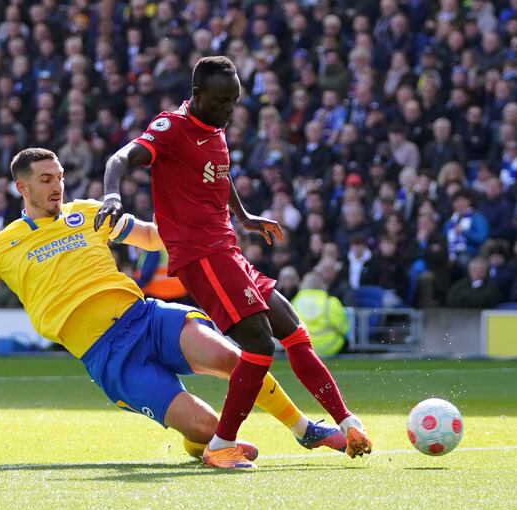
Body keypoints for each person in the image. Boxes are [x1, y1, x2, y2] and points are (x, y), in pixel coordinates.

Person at [0, 148, 346, 469]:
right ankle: (203, 444)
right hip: (109, 356)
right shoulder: (0, 247)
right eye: (46, 180)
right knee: (206, 426)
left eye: (60, 177)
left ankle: (304, 429)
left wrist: (200, 224)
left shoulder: (86, 213)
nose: (57, 186)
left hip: (146, 317)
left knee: (236, 358)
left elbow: (152, 237)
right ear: (21, 188)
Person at [95, 56, 371, 468]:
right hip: (201, 254)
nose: (229, 109)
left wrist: (243, 217)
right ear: (197, 95)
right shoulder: (171, 128)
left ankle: (347, 421)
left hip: (228, 249)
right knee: (258, 344)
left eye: (234, 100)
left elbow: (217, 177)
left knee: (293, 332)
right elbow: (118, 160)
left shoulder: (216, 130)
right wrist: (113, 196)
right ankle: (221, 444)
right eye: (221, 100)